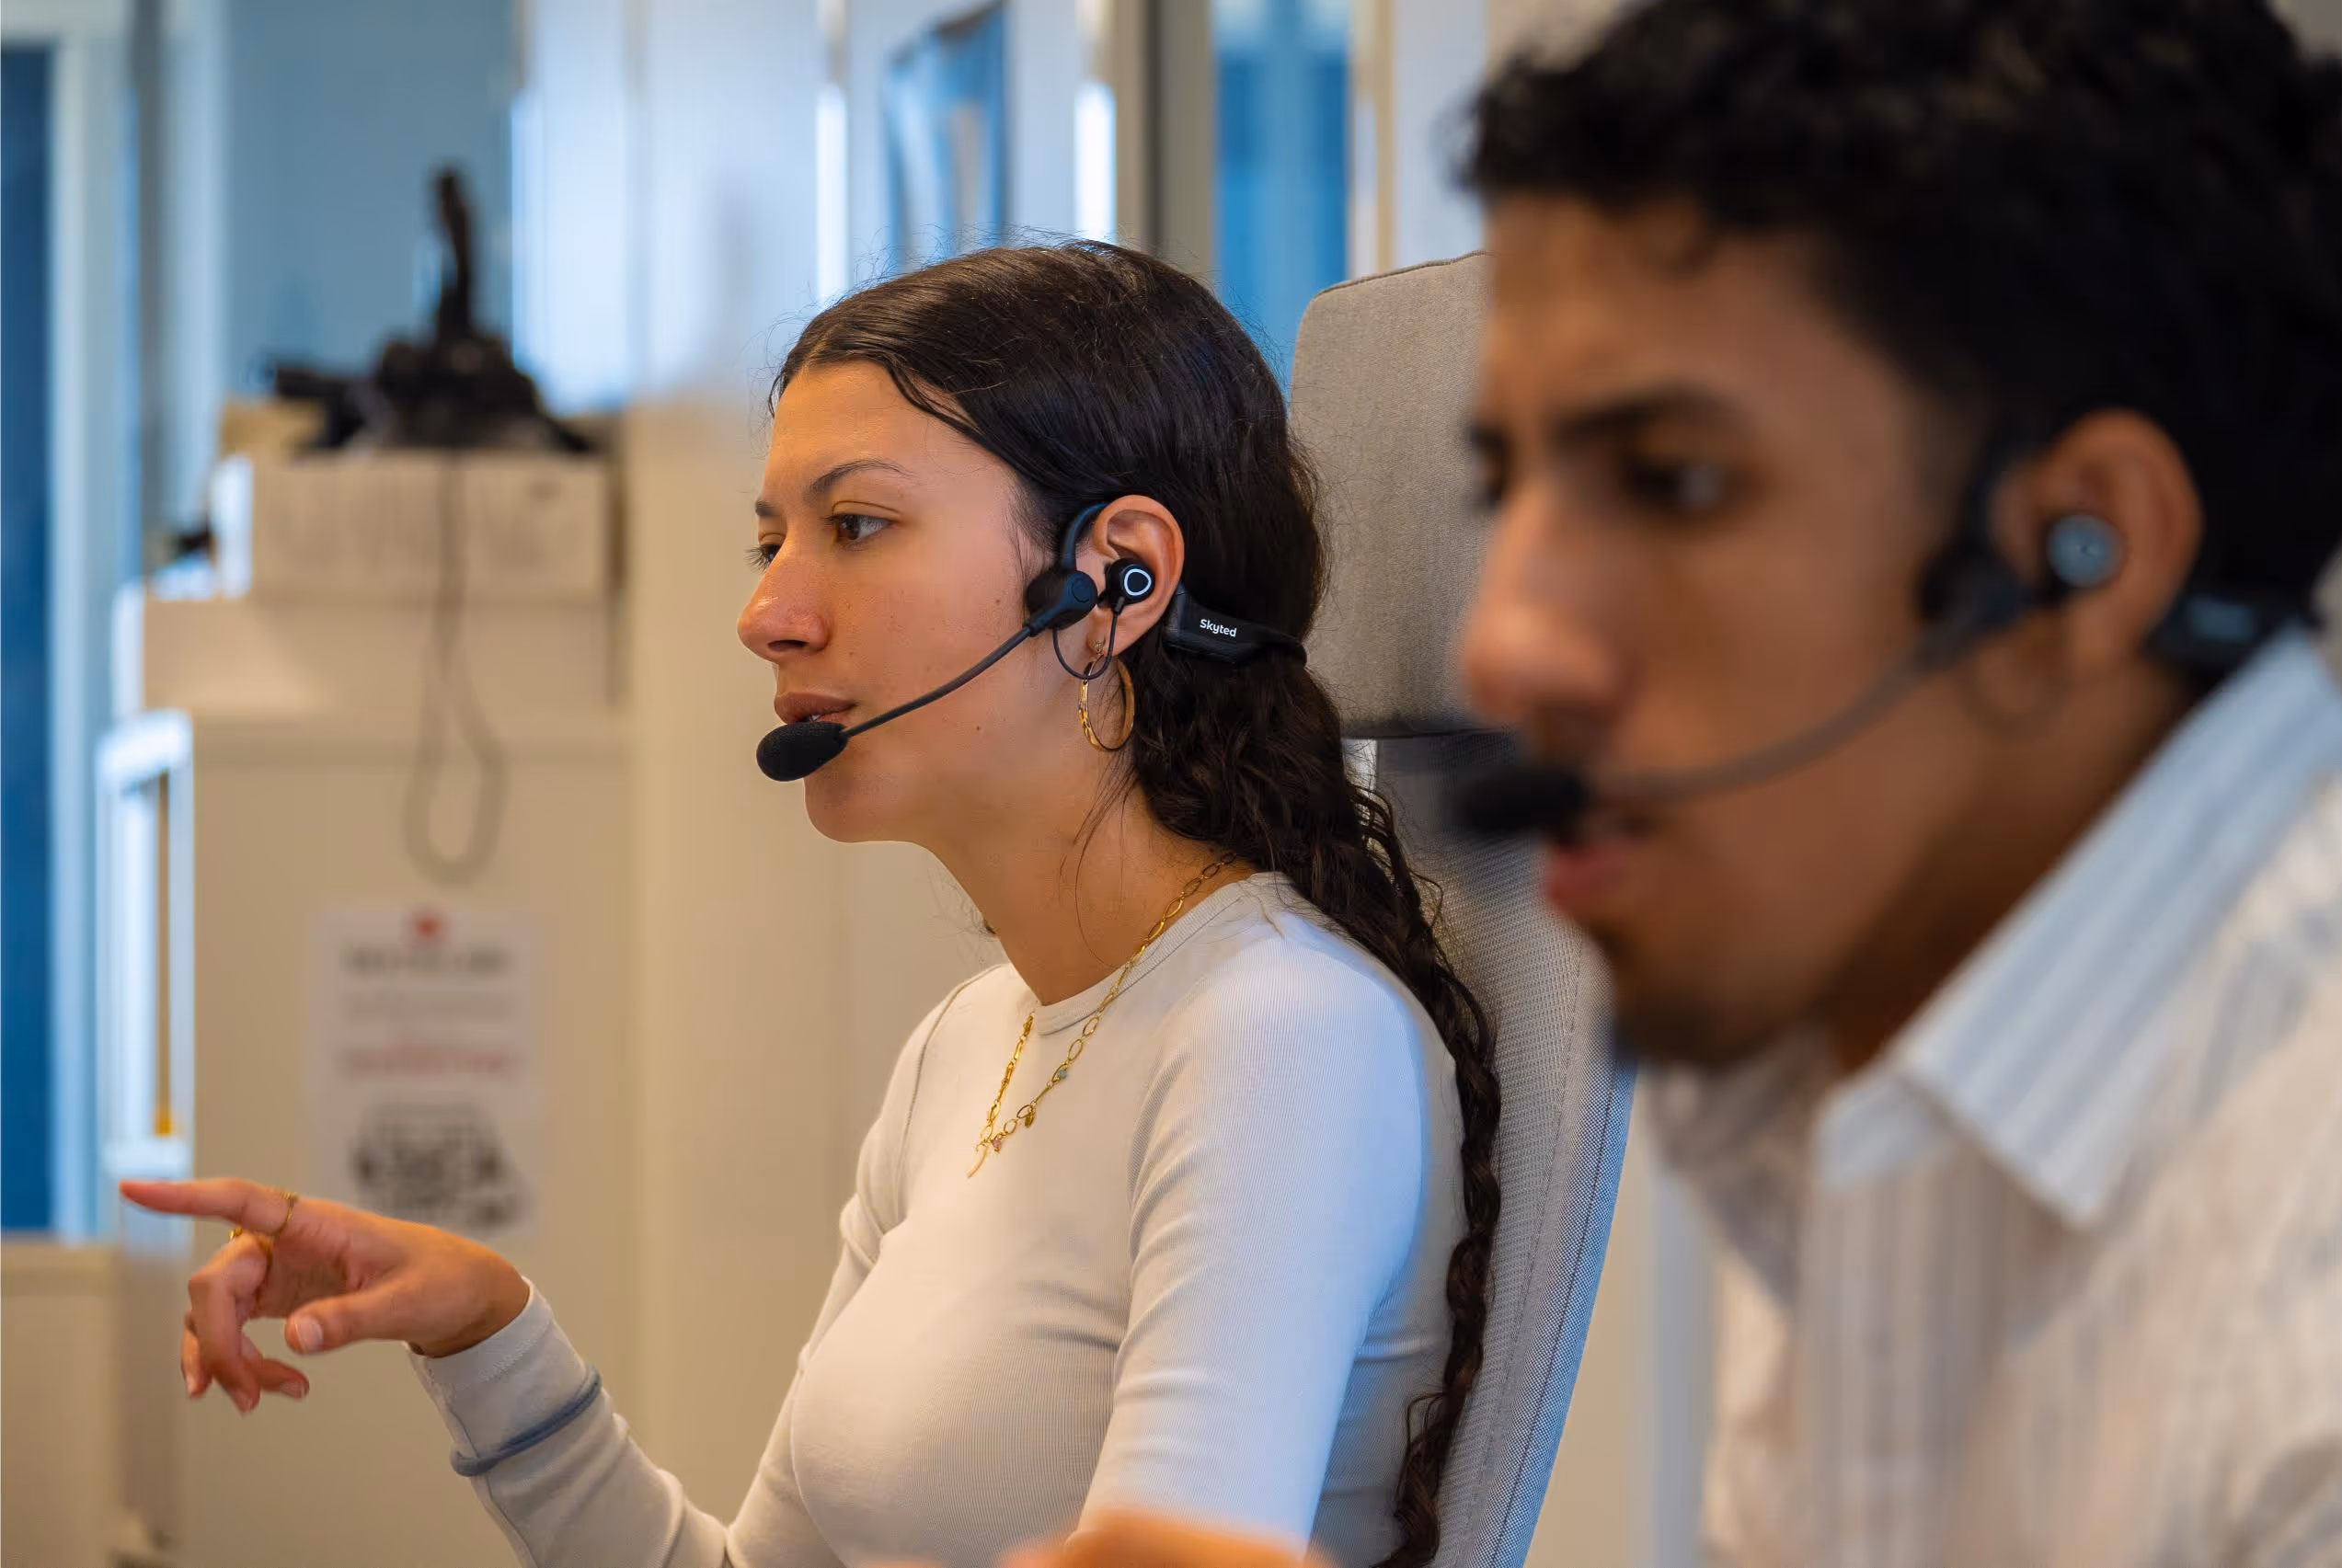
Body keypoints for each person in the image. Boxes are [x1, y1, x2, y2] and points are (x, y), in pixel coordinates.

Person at [1029, 1, 2342, 1565]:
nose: (1509, 642)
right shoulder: (1872, 1100)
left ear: (2082, 556)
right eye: (1511, 491)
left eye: (1673, 482)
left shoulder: (2304, 1313)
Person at [121, 242, 1505, 1568]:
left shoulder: (1279, 1037)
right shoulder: (974, 1041)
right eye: (769, 541)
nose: (767, 613)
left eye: (855, 525)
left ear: (1112, 583)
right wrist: (486, 1332)